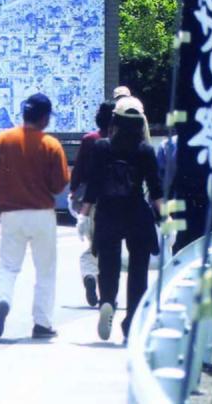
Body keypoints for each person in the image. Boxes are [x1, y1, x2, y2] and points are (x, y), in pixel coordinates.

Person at [0, 93, 70, 340]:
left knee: (8, 266)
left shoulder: (3, 139)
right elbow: (58, 185)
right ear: (44, 118)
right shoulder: (51, 145)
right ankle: (42, 324)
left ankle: (2, 300)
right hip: (42, 214)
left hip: (11, 214)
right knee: (45, 270)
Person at [80, 96, 164, 342]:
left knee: (109, 265)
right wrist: (167, 219)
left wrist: (83, 216)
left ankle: (107, 300)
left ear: (114, 121)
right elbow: (156, 191)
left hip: (108, 213)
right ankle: (132, 324)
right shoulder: (145, 150)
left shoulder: (101, 147)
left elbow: (93, 186)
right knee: (138, 271)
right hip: (137, 214)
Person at [70, 100, 116, 307]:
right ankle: (105, 290)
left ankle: (89, 274)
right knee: (108, 247)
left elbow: (78, 170)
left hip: (90, 201)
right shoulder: (122, 141)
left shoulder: (90, 139)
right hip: (116, 201)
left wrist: (73, 192)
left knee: (93, 244)